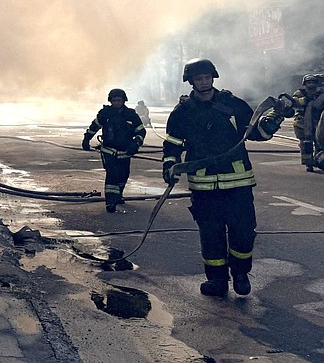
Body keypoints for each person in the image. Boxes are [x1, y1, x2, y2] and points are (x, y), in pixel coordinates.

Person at [162, 58, 291, 297]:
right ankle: (217, 281)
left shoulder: (233, 105)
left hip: (238, 184)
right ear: (190, 82)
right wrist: (169, 165)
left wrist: (273, 120)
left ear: (213, 78)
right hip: (203, 187)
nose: (203, 83)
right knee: (211, 236)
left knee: (243, 232)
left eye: (207, 78)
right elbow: (172, 144)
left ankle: (240, 273)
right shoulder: (183, 112)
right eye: (198, 79)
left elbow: (257, 133)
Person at [82, 88, 146, 212]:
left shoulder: (131, 115)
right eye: (114, 100)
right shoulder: (105, 114)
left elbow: (141, 131)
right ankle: (110, 202)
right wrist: (86, 139)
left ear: (124, 101)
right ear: (110, 101)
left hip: (125, 152)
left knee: (123, 175)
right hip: (109, 151)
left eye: (119, 100)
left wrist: (135, 144)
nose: (116, 103)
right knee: (112, 175)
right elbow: (94, 126)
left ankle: (118, 195)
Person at [290, 73, 324, 172]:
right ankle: (309, 164)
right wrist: (305, 100)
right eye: (309, 82)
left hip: (317, 123)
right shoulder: (300, 93)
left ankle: (319, 161)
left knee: (319, 143)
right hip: (302, 123)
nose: (311, 85)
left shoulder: (320, 94)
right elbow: (295, 102)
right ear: (305, 84)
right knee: (306, 144)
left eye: (313, 82)